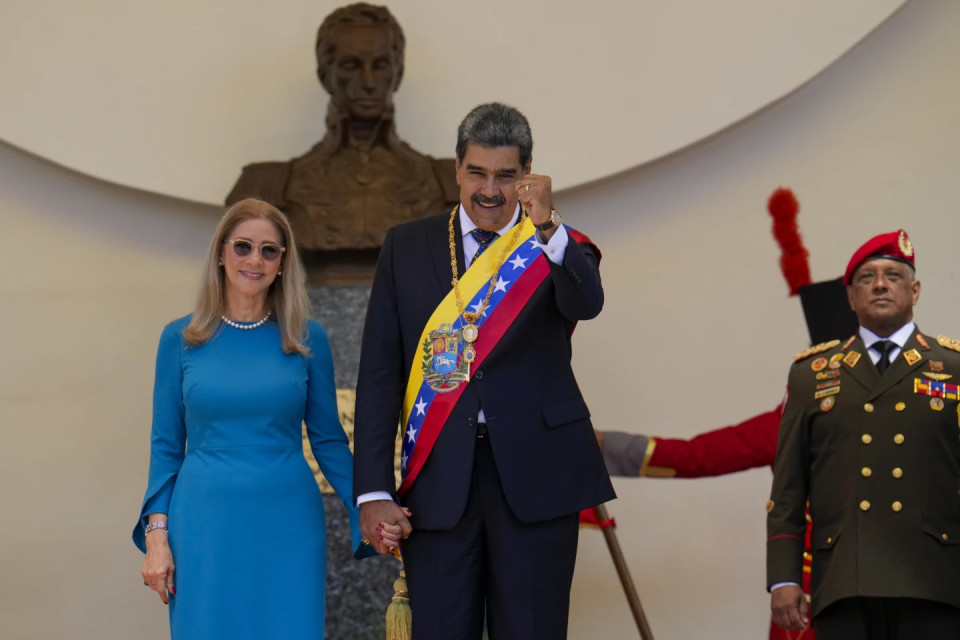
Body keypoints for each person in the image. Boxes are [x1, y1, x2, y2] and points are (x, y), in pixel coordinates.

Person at [352, 102, 615, 639]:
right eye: (476, 172)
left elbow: (587, 302)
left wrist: (547, 226)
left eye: (505, 175)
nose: (489, 190)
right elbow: (380, 374)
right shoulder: (407, 245)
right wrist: (373, 490)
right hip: (440, 480)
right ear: (456, 169)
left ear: (527, 175)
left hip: (537, 475)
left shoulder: (552, 242)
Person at [132, 198, 376, 639]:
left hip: (288, 523)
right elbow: (166, 448)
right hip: (204, 523)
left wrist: (371, 505)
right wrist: (156, 537)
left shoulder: (307, 338)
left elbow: (328, 440)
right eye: (243, 246)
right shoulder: (179, 339)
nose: (254, 260)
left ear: (283, 263)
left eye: (269, 250)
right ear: (221, 252)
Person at [767, 229, 960, 639]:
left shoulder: (954, 368)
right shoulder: (811, 375)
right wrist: (784, 578)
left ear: (915, 289)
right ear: (851, 297)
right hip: (844, 578)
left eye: (893, 274)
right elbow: (788, 487)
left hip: (935, 576)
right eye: (866, 277)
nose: (880, 284)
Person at [226, 3, 458, 259]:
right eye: (351, 66)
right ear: (325, 76)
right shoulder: (266, 187)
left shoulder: (449, 184)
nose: (368, 82)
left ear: (398, 72)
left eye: (380, 65)